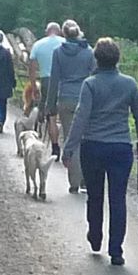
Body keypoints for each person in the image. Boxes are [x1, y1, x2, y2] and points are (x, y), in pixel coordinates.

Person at [62, 38, 138, 265]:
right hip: (121, 147)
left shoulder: (90, 84)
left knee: (95, 195)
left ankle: (96, 236)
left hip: (93, 146)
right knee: (117, 198)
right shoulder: (129, 84)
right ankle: (116, 249)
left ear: (96, 59)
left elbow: (81, 117)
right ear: (117, 58)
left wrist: (69, 147)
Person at [45, 20, 95, 193]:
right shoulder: (89, 52)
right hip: (85, 98)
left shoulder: (58, 52)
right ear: (78, 32)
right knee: (86, 138)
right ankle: (85, 180)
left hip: (65, 98)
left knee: (70, 139)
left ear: (64, 35)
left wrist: (49, 104)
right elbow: (95, 76)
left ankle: (74, 182)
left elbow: (54, 79)